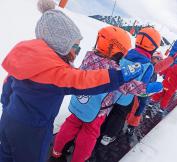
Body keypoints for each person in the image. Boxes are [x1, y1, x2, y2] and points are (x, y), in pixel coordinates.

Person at [0, 1, 143, 162]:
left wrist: (9, 108)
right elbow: (83, 80)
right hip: (33, 131)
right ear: (60, 44)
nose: (77, 51)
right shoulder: (56, 73)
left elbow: (6, 89)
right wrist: (119, 76)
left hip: (8, 120)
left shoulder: (27, 57)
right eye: (75, 46)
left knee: (5, 155)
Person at [49, 26, 162, 162]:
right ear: (116, 50)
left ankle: (56, 152)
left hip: (79, 104)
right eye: (122, 54)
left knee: (70, 124)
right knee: (89, 134)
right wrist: (148, 88)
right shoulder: (114, 70)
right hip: (98, 111)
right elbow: (128, 87)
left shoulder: (88, 57)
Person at [100, 27, 164, 146]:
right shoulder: (148, 65)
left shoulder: (126, 54)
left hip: (112, 91)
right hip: (126, 98)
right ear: (153, 47)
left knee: (108, 111)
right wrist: (157, 87)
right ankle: (107, 137)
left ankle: (100, 130)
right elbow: (142, 88)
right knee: (119, 116)